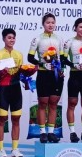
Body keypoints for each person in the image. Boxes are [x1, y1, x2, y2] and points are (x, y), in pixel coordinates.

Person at [28, 13, 65, 143]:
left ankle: (51, 132)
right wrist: (42, 63)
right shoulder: (37, 39)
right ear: (43, 24)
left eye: (52, 22)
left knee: (54, 104)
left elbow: (63, 58)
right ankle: (42, 132)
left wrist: (62, 70)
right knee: (43, 103)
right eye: (48, 22)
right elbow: (30, 57)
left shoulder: (59, 39)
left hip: (56, 75)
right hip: (43, 74)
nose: (50, 25)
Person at [0, 28, 23, 157]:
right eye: (9, 37)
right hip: (4, 90)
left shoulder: (19, 54)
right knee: (2, 119)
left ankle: (15, 149)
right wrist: (0, 72)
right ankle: (0, 149)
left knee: (16, 119)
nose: (12, 40)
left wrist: (28, 75)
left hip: (16, 90)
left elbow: (21, 72)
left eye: (13, 37)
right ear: (4, 39)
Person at [62, 18, 82, 143]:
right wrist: (73, 65)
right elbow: (63, 59)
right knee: (72, 103)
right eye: (81, 27)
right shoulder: (69, 42)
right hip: (75, 75)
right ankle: (72, 132)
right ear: (75, 28)